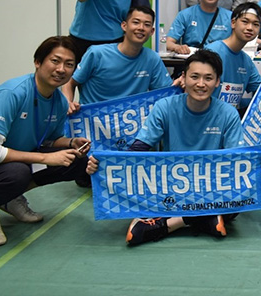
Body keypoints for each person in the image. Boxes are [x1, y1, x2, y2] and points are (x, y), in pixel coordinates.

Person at [86, 49, 246, 246]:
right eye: (194, 77)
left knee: (240, 197)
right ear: (183, 78)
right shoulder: (165, 107)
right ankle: (204, 219)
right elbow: (138, 149)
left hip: (208, 183)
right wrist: (104, 164)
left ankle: (169, 223)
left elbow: (236, 159)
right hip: (171, 182)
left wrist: (258, 162)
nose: (201, 84)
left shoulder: (228, 113)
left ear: (218, 82)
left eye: (208, 78)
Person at [0, 37, 90, 247]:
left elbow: (48, 140)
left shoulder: (59, 101)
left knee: (76, 161)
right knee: (17, 173)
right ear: (38, 62)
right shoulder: (12, 93)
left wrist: (70, 142)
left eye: (69, 64)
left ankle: (8, 197)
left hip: (10, 163)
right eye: (55, 61)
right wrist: (45, 158)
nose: (61, 69)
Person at [63, 6, 172, 112]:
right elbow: (70, 83)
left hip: (131, 121)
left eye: (147, 25)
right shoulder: (97, 54)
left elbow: (166, 93)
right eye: (136, 22)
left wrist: (179, 83)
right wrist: (67, 104)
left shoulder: (152, 58)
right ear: (124, 26)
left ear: (152, 31)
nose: (141, 28)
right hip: (92, 119)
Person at [205, 3, 261, 113]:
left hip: (231, 118)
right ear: (233, 23)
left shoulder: (247, 61)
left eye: (256, 24)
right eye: (245, 22)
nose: (250, 28)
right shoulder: (212, 51)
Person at [165, 0, 232, 54]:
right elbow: (168, 42)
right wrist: (177, 47)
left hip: (220, 59)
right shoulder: (185, 15)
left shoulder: (230, 17)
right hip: (193, 59)